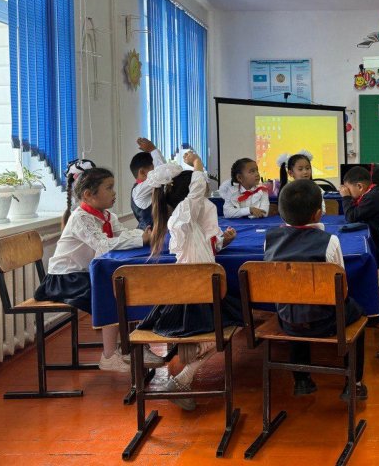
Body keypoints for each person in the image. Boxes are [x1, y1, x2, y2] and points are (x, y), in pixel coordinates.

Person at [138, 153, 240, 410]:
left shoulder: (185, 220)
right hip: (194, 296)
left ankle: (185, 377)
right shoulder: (183, 215)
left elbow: (203, 244)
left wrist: (222, 241)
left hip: (194, 292)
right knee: (234, 323)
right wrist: (197, 164)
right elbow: (196, 188)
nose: (203, 194)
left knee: (231, 324)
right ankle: (183, 378)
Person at [34, 165, 159, 372]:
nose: (114, 192)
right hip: (64, 279)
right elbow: (103, 244)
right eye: (108, 188)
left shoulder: (107, 216)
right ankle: (109, 356)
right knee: (110, 291)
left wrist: (142, 236)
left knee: (128, 286)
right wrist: (141, 239)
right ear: (88, 195)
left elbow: (122, 234)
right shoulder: (80, 218)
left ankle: (135, 345)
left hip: (82, 274)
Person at [264, 180, 367, 400]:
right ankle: (354, 383)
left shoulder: (269, 240)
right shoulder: (330, 241)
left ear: (281, 213)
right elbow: (342, 289)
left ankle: (302, 380)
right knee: (359, 314)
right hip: (327, 321)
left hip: (287, 320)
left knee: (295, 302)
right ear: (318, 214)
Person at [340, 165, 379, 248]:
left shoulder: (372, 197)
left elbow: (351, 217)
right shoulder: (370, 194)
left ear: (360, 187)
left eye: (348, 189)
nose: (348, 192)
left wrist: (346, 197)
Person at [129, 137, 166, 229]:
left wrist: (153, 151)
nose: (156, 170)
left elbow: (165, 169)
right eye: (154, 169)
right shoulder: (138, 191)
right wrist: (153, 150)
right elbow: (162, 173)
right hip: (149, 235)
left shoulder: (150, 186)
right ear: (142, 172)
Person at [277, 150, 325, 214]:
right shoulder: (287, 191)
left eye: (307, 168)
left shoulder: (317, 189)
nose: (305, 172)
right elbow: (286, 212)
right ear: (291, 173)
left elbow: (322, 210)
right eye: (300, 169)